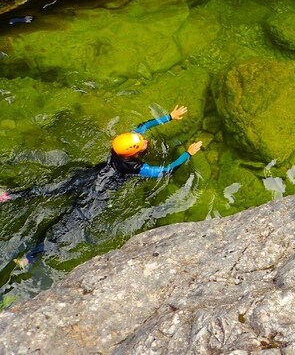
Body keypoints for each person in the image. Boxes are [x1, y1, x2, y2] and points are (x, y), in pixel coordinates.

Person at [0, 104, 202, 269]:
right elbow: (166, 171)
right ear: (132, 154)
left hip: (89, 176)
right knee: (68, 224)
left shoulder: (119, 146)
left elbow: (142, 126)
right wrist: (188, 154)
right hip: (98, 194)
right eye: (142, 145)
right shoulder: (136, 167)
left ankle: (9, 196)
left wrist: (169, 117)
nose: (145, 141)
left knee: (51, 188)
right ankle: (29, 257)